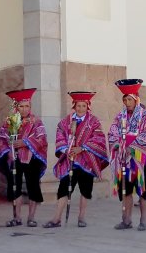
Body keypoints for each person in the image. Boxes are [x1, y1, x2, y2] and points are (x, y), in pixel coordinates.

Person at [43, 91, 108, 228]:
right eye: (78, 106)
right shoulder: (66, 121)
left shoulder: (93, 121)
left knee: (85, 189)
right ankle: (56, 218)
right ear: (74, 106)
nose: (81, 109)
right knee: (64, 188)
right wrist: (67, 150)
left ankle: (81, 217)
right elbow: (60, 135)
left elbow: (99, 138)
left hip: (86, 161)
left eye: (83, 106)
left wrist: (82, 148)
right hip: (70, 161)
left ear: (87, 106)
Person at [109, 79, 146, 231]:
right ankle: (126, 220)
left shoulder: (145, 116)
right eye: (125, 99)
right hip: (124, 160)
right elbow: (112, 133)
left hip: (139, 160)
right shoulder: (120, 117)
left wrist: (132, 145)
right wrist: (118, 144)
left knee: (142, 191)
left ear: (136, 99)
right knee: (125, 190)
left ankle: (143, 220)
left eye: (129, 99)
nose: (127, 102)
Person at [0, 88, 48, 227]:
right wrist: (8, 150)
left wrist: (25, 142)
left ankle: (31, 217)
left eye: (27, 106)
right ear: (16, 106)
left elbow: (42, 139)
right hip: (14, 158)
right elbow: (2, 139)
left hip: (32, 159)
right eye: (21, 106)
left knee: (33, 186)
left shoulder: (36, 122)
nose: (24, 109)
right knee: (15, 186)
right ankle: (17, 217)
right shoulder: (9, 122)